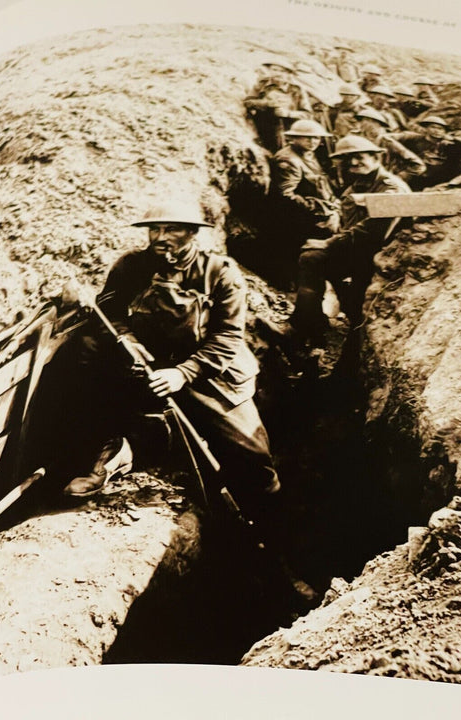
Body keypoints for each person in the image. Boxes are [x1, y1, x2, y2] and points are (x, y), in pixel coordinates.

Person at [64, 200, 280, 520]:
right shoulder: (131, 266)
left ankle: (267, 519)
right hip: (148, 364)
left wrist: (183, 373)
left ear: (192, 233)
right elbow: (107, 313)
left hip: (210, 372)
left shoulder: (220, 272)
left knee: (253, 457)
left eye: (172, 229)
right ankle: (109, 455)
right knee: (87, 351)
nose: (160, 237)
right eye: (155, 229)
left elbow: (228, 337)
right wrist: (127, 338)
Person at [287, 135, 411, 345]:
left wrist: (330, 243)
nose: (353, 162)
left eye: (359, 157)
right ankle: (307, 327)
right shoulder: (359, 184)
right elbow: (351, 224)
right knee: (310, 258)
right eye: (347, 159)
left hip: (382, 253)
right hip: (359, 249)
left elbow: (373, 229)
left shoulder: (389, 187)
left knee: (356, 297)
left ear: (375, 158)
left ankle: (350, 345)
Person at [267, 119, 340, 283]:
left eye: (316, 138)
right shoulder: (288, 160)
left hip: (312, 212)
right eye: (307, 138)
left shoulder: (309, 155)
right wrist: (318, 209)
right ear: (294, 138)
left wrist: (332, 204)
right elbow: (285, 195)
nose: (313, 142)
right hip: (297, 217)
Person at [392, 115, 461, 189]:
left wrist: (453, 138)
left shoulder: (447, 144)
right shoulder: (415, 138)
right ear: (426, 128)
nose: (436, 131)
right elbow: (389, 138)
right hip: (413, 174)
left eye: (440, 129)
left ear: (444, 131)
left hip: (434, 178)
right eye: (433, 127)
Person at [355, 106, 426, 181]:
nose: (363, 124)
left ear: (378, 125)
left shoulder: (387, 142)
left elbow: (418, 165)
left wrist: (399, 177)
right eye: (362, 121)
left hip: (379, 181)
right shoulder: (355, 139)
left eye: (370, 122)